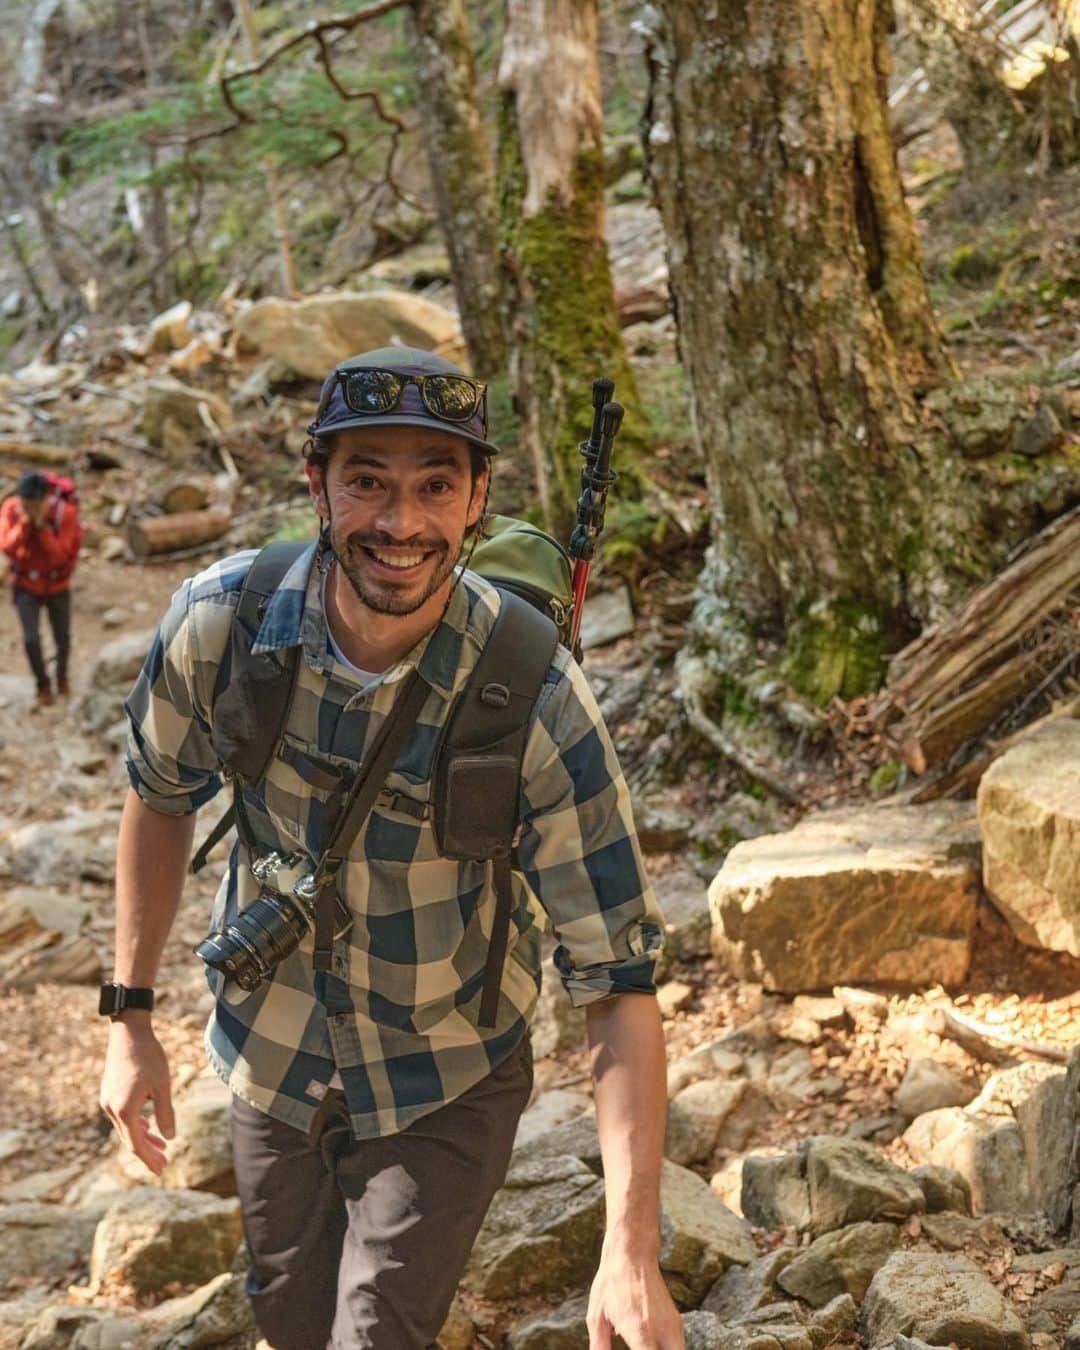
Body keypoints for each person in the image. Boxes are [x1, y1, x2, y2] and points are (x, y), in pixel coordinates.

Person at [99, 346, 684, 1350]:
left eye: (434, 485)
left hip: (446, 1076)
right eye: (367, 479)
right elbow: (159, 800)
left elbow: (617, 979)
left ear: (477, 498)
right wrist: (130, 1016)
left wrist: (629, 1251)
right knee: (288, 1320)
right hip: (270, 1056)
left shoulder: (532, 693)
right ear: (317, 485)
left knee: (376, 1335)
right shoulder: (221, 627)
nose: (400, 522)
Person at [0, 469, 82, 707]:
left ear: (47, 498)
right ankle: (43, 685)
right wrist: (26, 524)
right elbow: (7, 547)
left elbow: (60, 556)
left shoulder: (65, 514)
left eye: (36, 504)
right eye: (27, 504)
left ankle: (62, 676)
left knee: (62, 638)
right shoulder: (12, 508)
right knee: (31, 638)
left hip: (57, 585)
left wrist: (42, 528)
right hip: (25, 585)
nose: (32, 509)